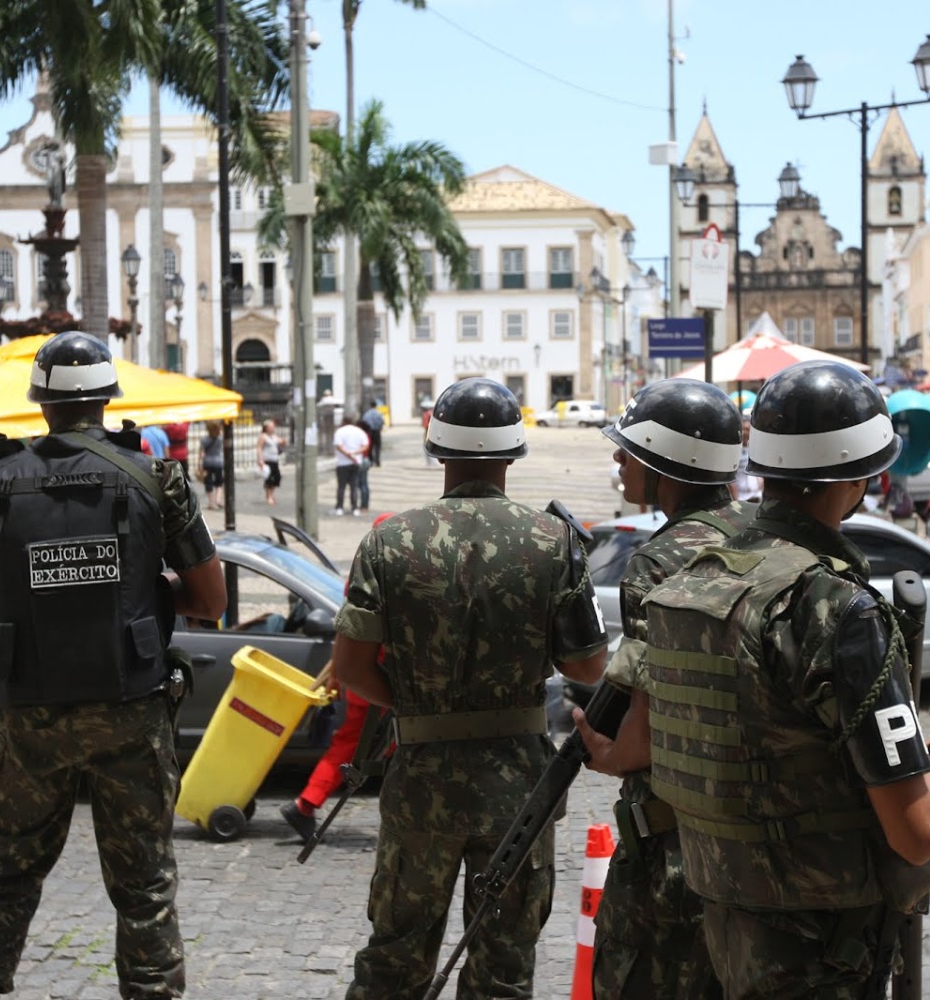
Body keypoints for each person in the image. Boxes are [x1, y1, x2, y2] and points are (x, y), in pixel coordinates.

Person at [618, 360, 930, 999]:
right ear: (867, 477)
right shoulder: (836, 609)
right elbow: (915, 833)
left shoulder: (691, 582)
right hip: (824, 948)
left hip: (725, 922)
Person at [0, 330, 227, 1000]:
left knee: (3, 875)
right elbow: (211, 599)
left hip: (30, 712)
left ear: (39, 402)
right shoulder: (155, 477)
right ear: (107, 397)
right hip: (131, 710)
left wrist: (1, 636)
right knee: (144, 883)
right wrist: (145, 594)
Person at [334, 377, 608, 1000]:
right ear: (514, 452)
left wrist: (416, 705)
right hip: (517, 790)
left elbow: (350, 669)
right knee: (503, 969)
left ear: (437, 450)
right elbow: (588, 669)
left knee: (394, 960)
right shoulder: (552, 543)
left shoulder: (389, 540)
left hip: (422, 782)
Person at [573, 379, 751, 999]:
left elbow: (649, 721)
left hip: (676, 844)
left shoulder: (660, 560)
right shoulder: (764, 535)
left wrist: (608, 753)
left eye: (631, 454)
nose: (619, 464)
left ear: (668, 467)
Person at [280, 514, 396, 843]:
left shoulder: (362, 575)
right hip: (375, 680)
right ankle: (306, 803)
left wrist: (337, 673)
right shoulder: (389, 578)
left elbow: (344, 631)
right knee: (356, 746)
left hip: (363, 677)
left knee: (391, 745)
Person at [332, 414, 368, 516]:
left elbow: (339, 446)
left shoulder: (339, 432)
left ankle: (339, 507)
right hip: (356, 462)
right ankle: (354, 508)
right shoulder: (359, 432)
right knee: (354, 486)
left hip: (342, 463)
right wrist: (355, 453)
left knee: (341, 487)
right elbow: (365, 446)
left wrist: (348, 454)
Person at [731, 413, 762, 503]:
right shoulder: (735, 450)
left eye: (747, 429)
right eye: (743, 429)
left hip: (757, 495)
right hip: (742, 497)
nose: (745, 432)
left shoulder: (755, 448)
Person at [256, 419, 286, 506]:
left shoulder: (274, 436)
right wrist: (260, 459)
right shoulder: (263, 436)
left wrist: (283, 441)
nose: (273, 428)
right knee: (269, 479)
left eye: (273, 427)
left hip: (274, 460)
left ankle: (271, 495)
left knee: (277, 477)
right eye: (271, 427)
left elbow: (281, 442)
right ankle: (269, 496)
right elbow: (259, 448)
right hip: (267, 460)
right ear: (266, 428)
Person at [198, 420, 224, 510]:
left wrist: (199, 463)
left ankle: (211, 503)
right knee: (219, 482)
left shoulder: (204, 439)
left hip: (208, 462)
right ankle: (218, 500)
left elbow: (202, 453)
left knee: (208, 482)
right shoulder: (220, 438)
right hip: (218, 461)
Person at [361, 400, 385, 466]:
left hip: (369, 432)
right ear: (376, 406)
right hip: (377, 431)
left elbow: (364, 421)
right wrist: (379, 427)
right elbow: (382, 422)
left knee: (370, 447)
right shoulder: (379, 413)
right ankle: (377, 461)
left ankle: (370, 461)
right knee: (377, 446)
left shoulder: (366, 414)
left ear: (370, 406)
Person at [420, 397, 434, 467]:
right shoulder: (433, 413)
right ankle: (433, 462)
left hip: (427, 432)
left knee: (427, 447)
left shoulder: (426, 414)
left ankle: (430, 463)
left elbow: (424, 425)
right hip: (433, 432)